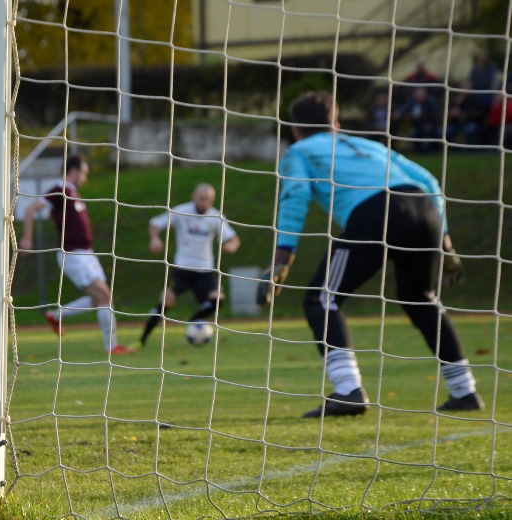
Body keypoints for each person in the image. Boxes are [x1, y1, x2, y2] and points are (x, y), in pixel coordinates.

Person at [256, 90, 483, 418]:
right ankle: (465, 391)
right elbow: (429, 181)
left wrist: (282, 259)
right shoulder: (369, 145)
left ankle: (349, 391)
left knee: (322, 298)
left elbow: (295, 195)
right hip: (424, 208)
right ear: (335, 124)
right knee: (420, 298)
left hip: (378, 211)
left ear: (294, 129)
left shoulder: (299, 151)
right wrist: (445, 242)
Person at [20, 154, 133, 355]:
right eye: (84, 173)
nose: (85, 178)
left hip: (87, 254)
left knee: (101, 298)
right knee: (103, 295)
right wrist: (27, 238)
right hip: (71, 254)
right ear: (73, 171)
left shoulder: (73, 193)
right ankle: (112, 346)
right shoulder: (59, 191)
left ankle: (56, 315)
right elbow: (30, 210)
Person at [129, 183, 240, 351]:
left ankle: (192, 323)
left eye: (208, 200)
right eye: (201, 199)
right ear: (193, 197)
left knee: (217, 300)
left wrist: (231, 245)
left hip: (205, 270)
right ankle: (141, 340)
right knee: (165, 303)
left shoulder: (216, 217)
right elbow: (154, 223)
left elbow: (234, 239)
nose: (204, 203)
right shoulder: (181, 211)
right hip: (182, 268)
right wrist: (154, 239)